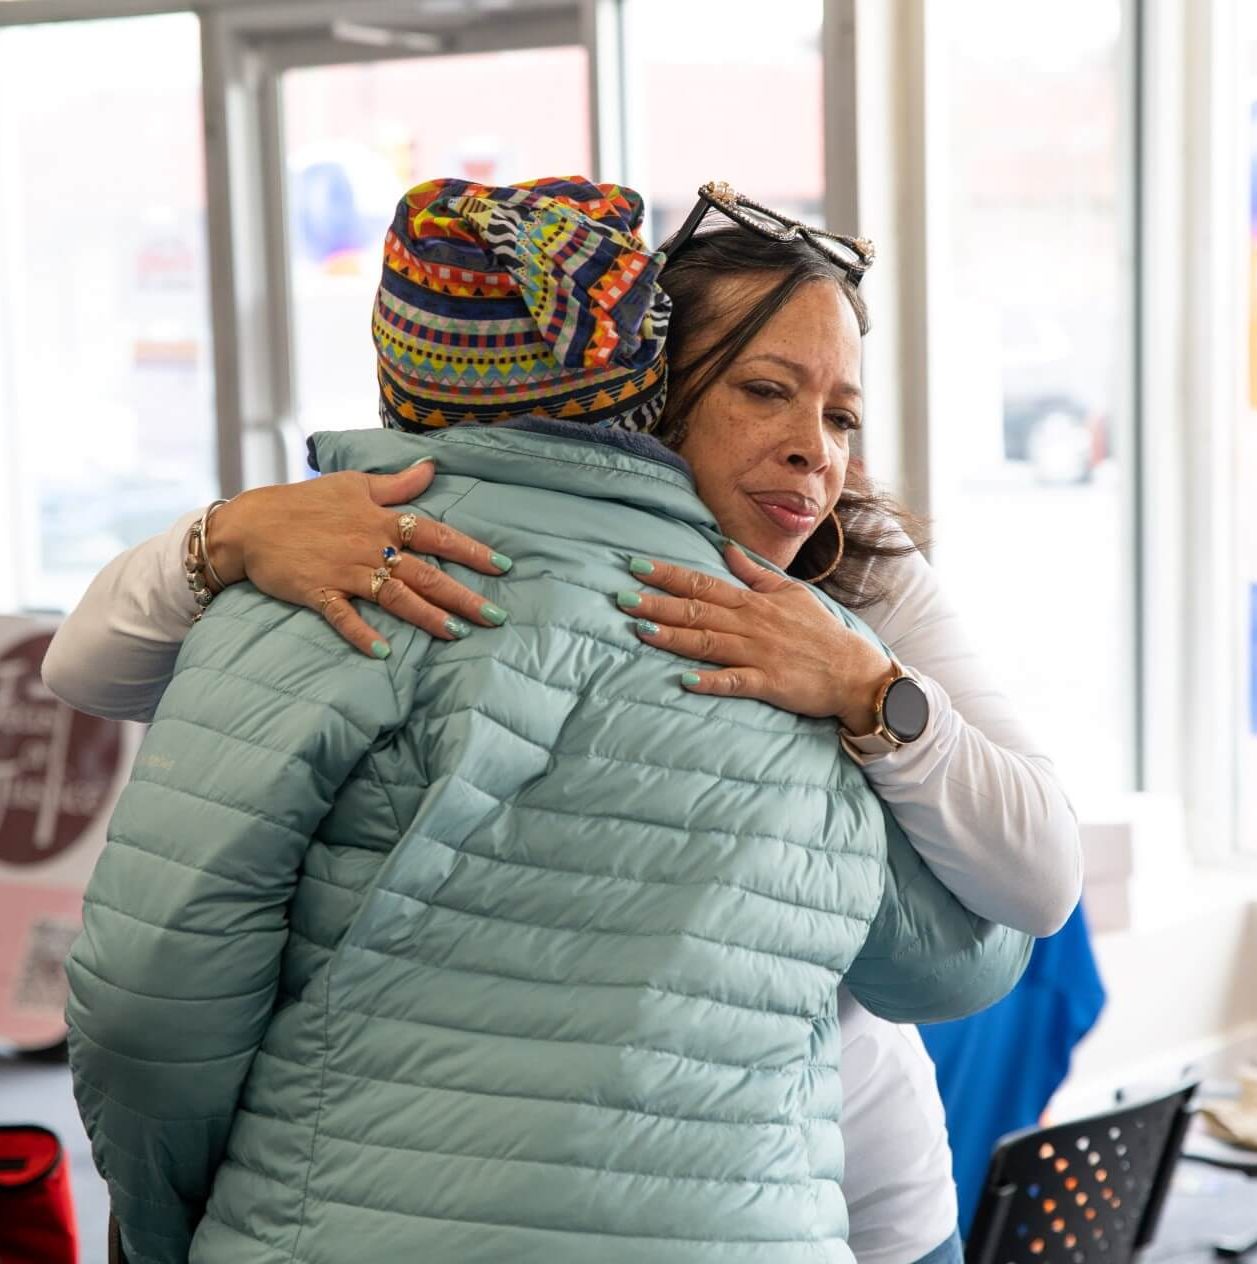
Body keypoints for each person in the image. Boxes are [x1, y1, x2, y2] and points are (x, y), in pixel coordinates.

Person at [50, 177, 1058, 1264]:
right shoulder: (331, 563)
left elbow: (150, 1015)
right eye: (765, 390)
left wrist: (872, 693)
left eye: (842, 414)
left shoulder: (833, 624)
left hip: (847, 1182)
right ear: (650, 393)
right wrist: (227, 534)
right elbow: (960, 962)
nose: (815, 448)